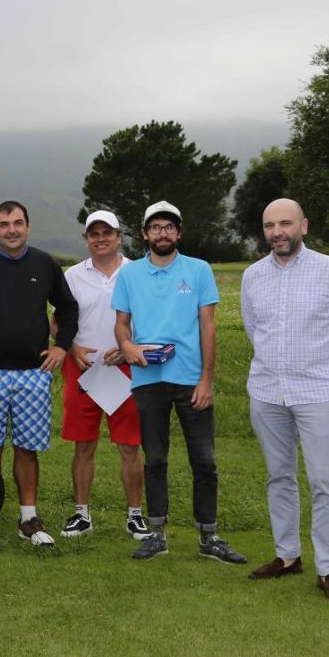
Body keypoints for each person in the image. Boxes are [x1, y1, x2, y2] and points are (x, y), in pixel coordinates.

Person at [241, 198, 329, 605]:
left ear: (304, 226)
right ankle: (287, 555)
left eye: (285, 223)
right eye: (269, 225)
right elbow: (253, 328)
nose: (277, 232)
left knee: (324, 481)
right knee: (279, 476)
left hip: (318, 393)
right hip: (267, 392)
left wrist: (328, 370)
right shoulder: (253, 276)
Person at [112, 201, 245, 564]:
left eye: (169, 227)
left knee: (204, 460)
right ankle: (156, 533)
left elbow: (208, 325)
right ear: (144, 234)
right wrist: (126, 346)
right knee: (154, 458)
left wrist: (206, 379)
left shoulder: (198, 270)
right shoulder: (130, 275)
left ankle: (209, 535)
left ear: (179, 233)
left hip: (190, 379)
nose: (163, 233)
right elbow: (122, 323)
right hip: (147, 378)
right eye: (155, 227)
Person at [0, 201, 78, 547]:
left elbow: (67, 307)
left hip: (33, 375)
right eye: (4, 224)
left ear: (28, 226)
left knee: (27, 448)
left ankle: (29, 520)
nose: (12, 229)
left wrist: (62, 347)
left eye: (18, 223)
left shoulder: (45, 264)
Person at [56, 210, 149, 540]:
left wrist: (129, 348)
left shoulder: (138, 272)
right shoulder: (72, 276)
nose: (101, 238)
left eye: (107, 232)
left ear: (120, 237)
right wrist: (72, 347)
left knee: (130, 447)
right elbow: (59, 323)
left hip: (127, 369)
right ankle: (82, 514)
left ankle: (136, 515)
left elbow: (151, 320)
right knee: (84, 445)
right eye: (94, 233)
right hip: (84, 369)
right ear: (86, 240)